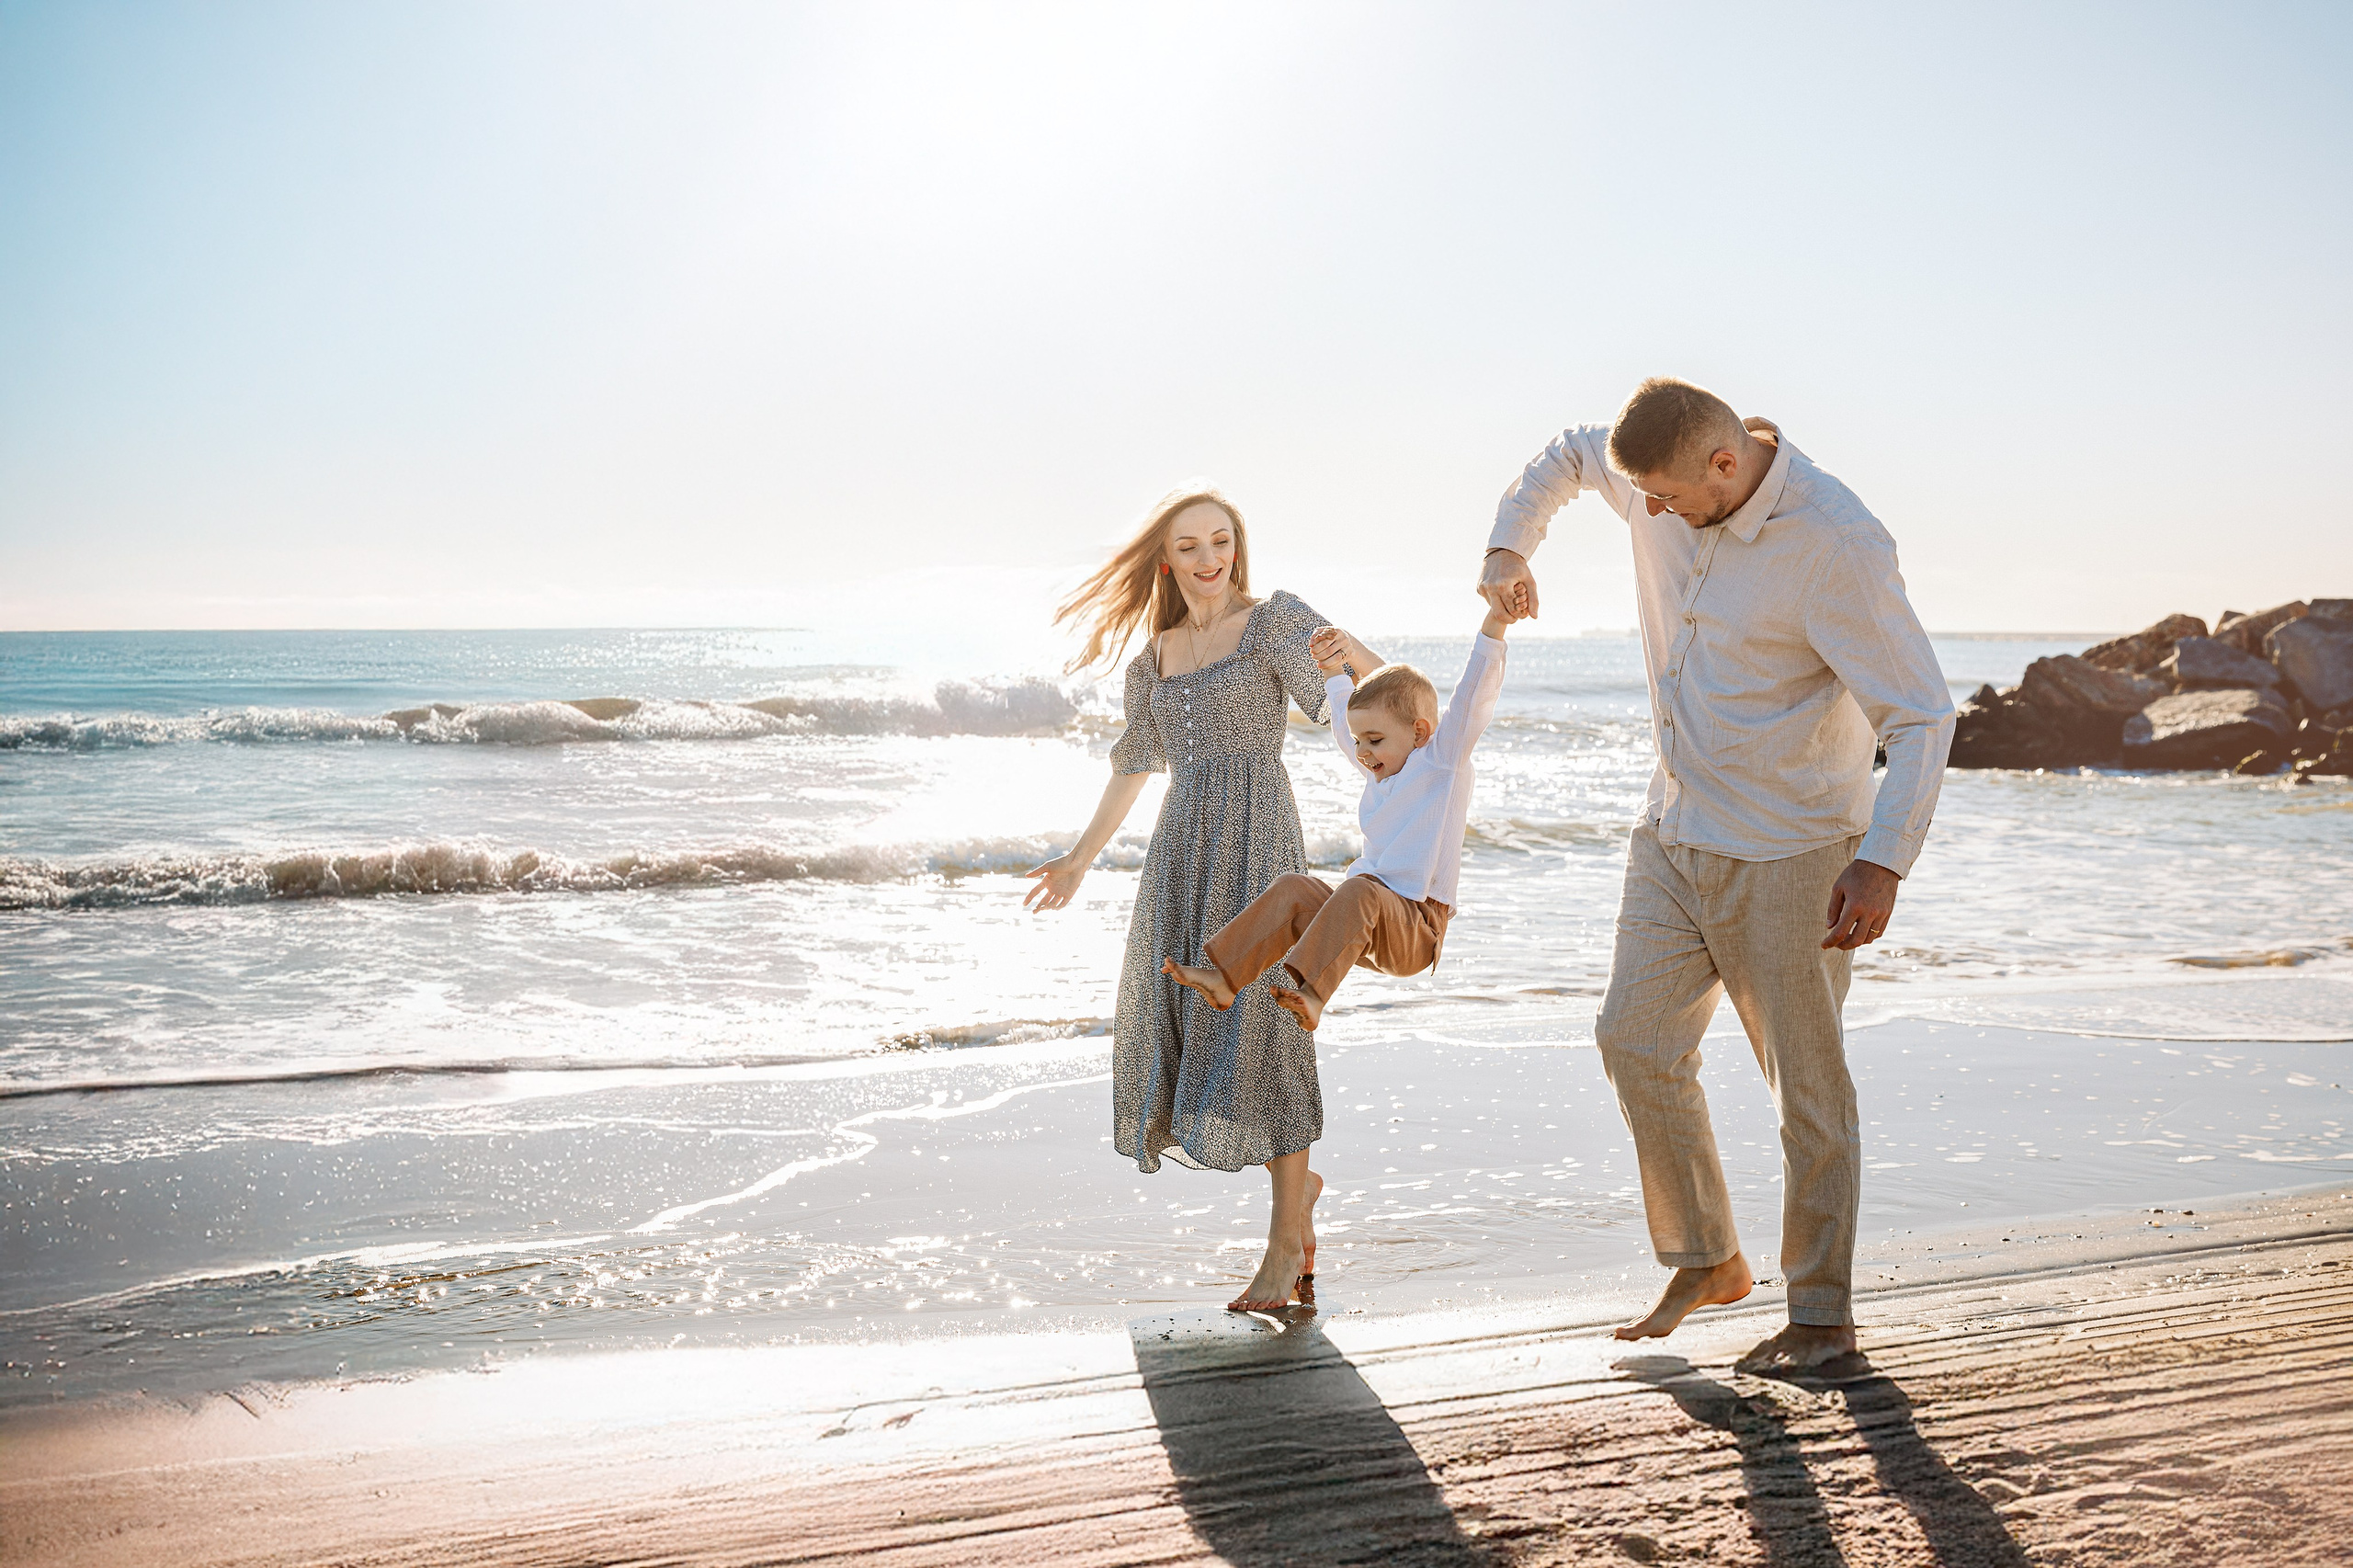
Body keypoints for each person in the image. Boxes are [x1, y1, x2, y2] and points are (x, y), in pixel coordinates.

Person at [1476, 377, 1955, 1373]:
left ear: (1724, 465)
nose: (1645, 511)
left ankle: (1821, 1317)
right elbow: (1571, 455)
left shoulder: (1838, 545)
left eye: (1663, 494)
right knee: (1633, 1038)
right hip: (1673, 831)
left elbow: (1921, 714)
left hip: (1794, 852)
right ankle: (1707, 1257)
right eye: (1639, 491)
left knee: (1805, 1089)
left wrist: (1881, 862)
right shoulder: (1658, 484)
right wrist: (1507, 544)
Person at [1024, 483, 1347, 1314]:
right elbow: (1133, 767)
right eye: (1190, 547)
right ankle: (1296, 1201)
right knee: (1198, 1026)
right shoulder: (1154, 660)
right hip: (1182, 852)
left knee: (1270, 1029)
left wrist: (1414, 765)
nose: (1209, 560)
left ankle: (1283, 1251)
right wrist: (1078, 860)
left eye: (1221, 541)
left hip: (1261, 844)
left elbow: (1348, 697)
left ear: (1238, 546)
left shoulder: (1274, 620)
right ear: (1166, 560)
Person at [1163, 597, 1512, 1039]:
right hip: (1364, 922)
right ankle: (1224, 976)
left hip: (1417, 928)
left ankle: (1311, 993)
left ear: (1420, 733)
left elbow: (1473, 695)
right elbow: (1346, 729)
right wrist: (1332, 672)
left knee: (1359, 890)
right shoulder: (1380, 768)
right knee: (1294, 888)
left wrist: (1495, 623)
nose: (1363, 752)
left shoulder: (1442, 762)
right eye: (1361, 741)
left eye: (1375, 740)